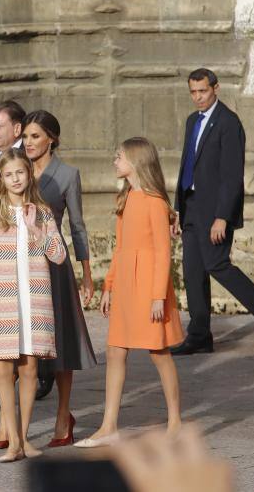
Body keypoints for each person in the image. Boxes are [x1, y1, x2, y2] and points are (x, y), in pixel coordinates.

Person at [170, 68, 254, 355]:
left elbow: (231, 175)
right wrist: (177, 209)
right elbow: (187, 166)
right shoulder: (192, 121)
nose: (198, 97)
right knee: (192, 270)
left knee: (217, 265)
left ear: (216, 88)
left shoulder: (228, 122)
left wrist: (222, 216)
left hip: (214, 210)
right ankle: (199, 334)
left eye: (203, 91)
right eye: (193, 92)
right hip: (190, 206)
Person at [76, 138, 184, 448]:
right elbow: (120, 249)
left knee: (159, 352)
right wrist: (109, 286)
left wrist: (157, 297)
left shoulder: (154, 202)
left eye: (119, 157)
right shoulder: (126, 199)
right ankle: (108, 425)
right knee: (114, 351)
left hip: (149, 286)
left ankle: (175, 420)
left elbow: (164, 254)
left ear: (135, 162)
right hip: (125, 283)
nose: (114, 161)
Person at [0, 148, 66, 462]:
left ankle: (25, 439)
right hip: (2, 303)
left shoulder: (41, 211)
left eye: (20, 173)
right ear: (1, 178)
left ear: (29, 173)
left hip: (34, 301)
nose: (15, 179)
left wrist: (35, 229)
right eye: (8, 174)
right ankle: (12, 441)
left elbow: (58, 255)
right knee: (3, 370)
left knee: (29, 370)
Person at [20, 110, 97, 447]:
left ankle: (63, 415)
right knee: (19, 344)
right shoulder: (14, 167)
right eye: (24, 136)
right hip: (19, 262)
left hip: (54, 263)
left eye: (35, 136)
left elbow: (78, 227)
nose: (28, 143)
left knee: (62, 342)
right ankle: (10, 423)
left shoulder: (68, 174)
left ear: (52, 138)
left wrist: (87, 275)